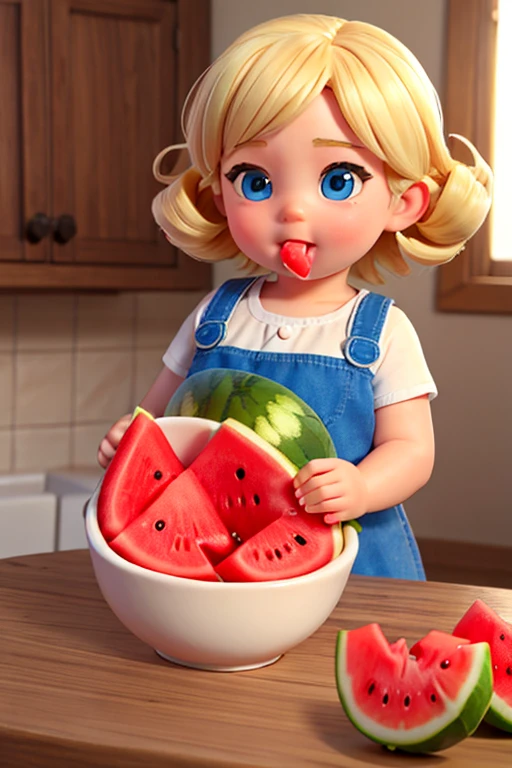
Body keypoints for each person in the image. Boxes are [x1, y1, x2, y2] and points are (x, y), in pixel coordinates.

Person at [97, 14, 492, 578]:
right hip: (218, 551)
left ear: (404, 202)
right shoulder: (215, 316)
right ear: (217, 198)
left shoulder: (381, 330)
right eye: (255, 181)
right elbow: (160, 420)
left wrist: (360, 485)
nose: (293, 210)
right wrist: (130, 441)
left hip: (347, 559)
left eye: (338, 180)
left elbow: (412, 451)